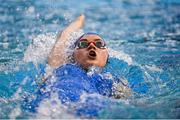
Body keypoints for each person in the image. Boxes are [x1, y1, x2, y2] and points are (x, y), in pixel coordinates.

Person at [22, 14, 148, 117]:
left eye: (99, 44)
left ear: (107, 56)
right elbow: (63, 36)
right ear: (72, 55)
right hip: (46, 107)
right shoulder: (61, 68)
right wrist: (79, 21)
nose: (92, 46)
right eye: (83, 44)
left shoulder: (112, 81)